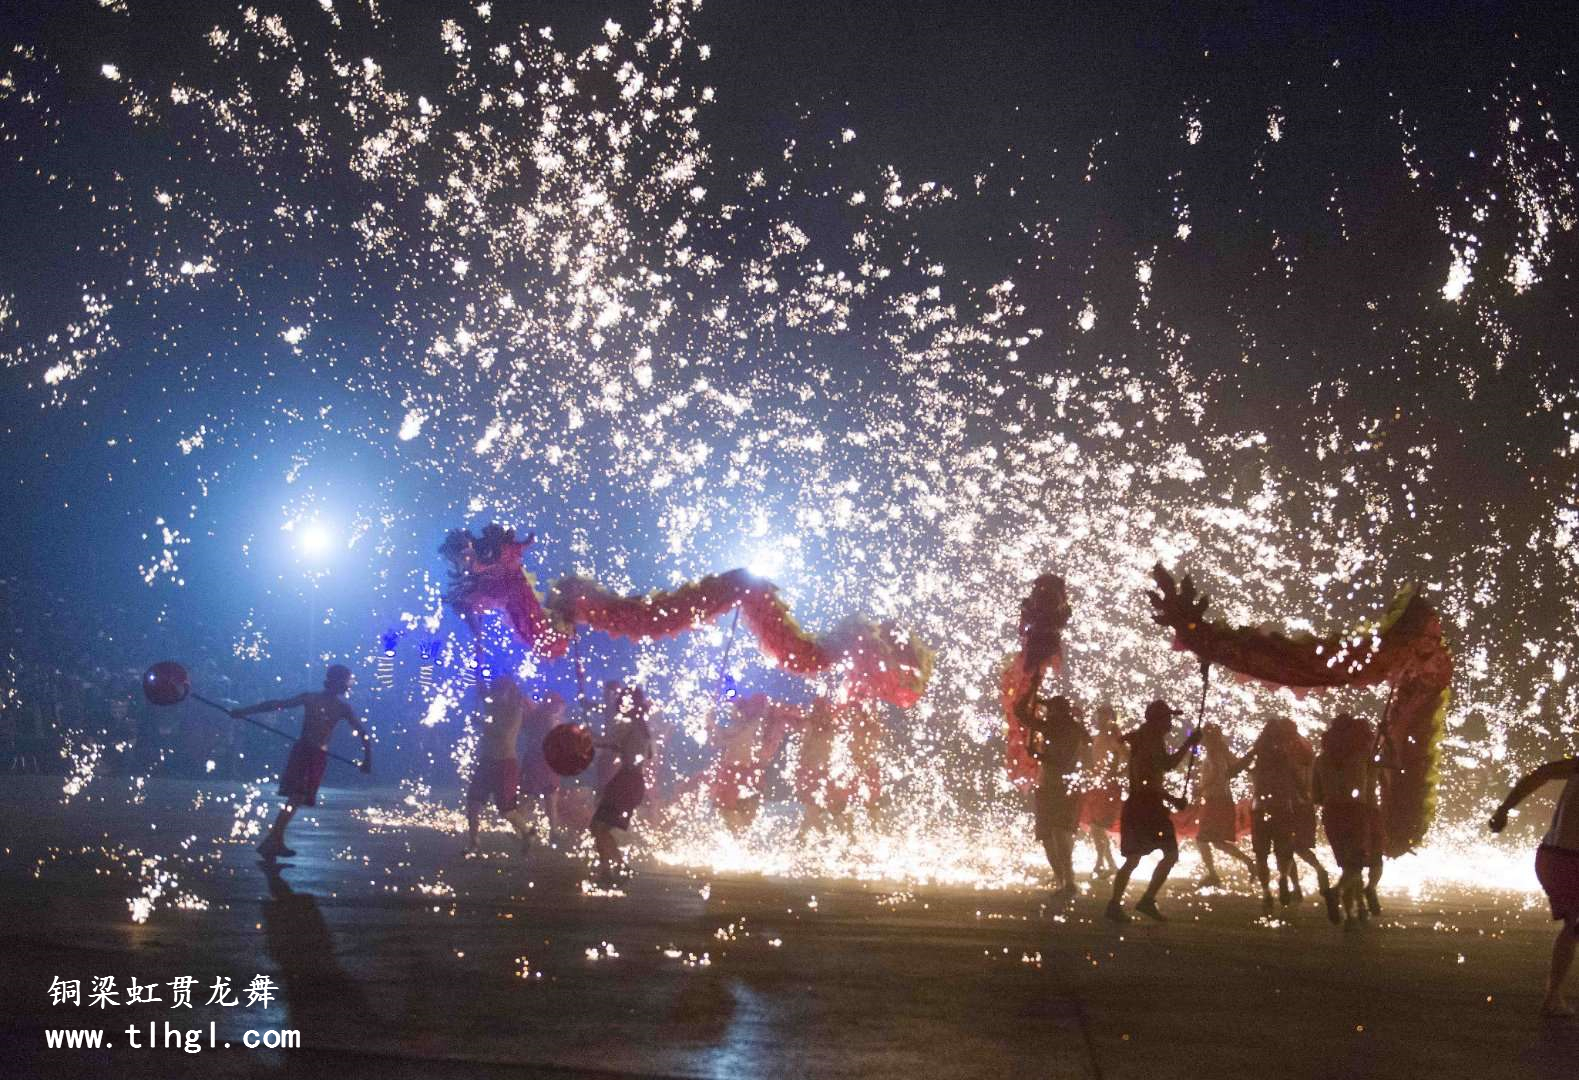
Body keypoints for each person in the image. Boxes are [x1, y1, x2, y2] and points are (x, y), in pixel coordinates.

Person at [231, 664, 371, 860]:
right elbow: (276, 704)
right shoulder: (323, 702)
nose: (349, 685)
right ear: (338, 681)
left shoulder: (334, 705)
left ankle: (275, 839)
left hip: (313, 755)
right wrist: (244, 711)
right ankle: (273, 839)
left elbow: (363, 734)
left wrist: (368, 758)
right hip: (308, 754)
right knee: (296, 797)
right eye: (347, 680)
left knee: (295, 799)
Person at [1490, 756, 1579, 1018]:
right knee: (1573, 924)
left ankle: (1553, 996)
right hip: (1571, 858)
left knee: (1572, 924)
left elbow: (1540, 774)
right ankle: (1552, 998)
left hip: (1551, 856)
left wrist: (1504, 808)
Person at [1106, 700, 1199, 923]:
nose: (1170, 722)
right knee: (1162, 855)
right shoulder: (1150, 740)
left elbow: (1157, 772)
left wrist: (1171, 799)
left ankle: (1119, 904)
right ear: (1158, 720)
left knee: (1135, 858)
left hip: (1145, 805)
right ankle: (1137, 901)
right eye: (1167, 718)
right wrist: (1188, 743)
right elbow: (1155, 774)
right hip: (1146, 807)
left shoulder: (1147, 738)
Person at [1246, 716, 1339, 923]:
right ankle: (1290, 881)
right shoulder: (1295, 750)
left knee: (1267, 854)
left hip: (1265, 809)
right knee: (1287, 850)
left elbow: (1235, 771)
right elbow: (1302, 780)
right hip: (1288, 807)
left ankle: (1269, 893)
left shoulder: (1265, 752)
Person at [1313, 712, 1383, 928]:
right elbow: (1393, 765)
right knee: (1356, 865)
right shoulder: (1363, 755)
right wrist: (1385, 736)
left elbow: (1315, 795)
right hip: (1356, 812)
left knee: (1348, 865)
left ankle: (1352, 916)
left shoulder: (1321, 759)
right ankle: (1336, 892)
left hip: (1332, 813)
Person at [1019, 691, 1090, 900]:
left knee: (1059, 834)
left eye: (1051, 712)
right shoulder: (1058, 726)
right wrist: (1032, 695)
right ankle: (1063, 881)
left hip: (1062, 788)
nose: (1048, 716)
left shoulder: (1069, 730)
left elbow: (1062, 761)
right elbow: (1021, 714)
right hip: (1048, 787)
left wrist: (1037, 754)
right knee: (1048, 837)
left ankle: (1068, 880)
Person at [590, 683, 653, 887]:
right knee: (600, 827)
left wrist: (587, 737)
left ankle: (617, 868)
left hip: (626, 781)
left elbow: (609, 743)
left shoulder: (630, 724)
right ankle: (607, 870)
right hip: (632, 781)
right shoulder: (643, 727)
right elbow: (645, 753)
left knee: (599, 827)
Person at [464, 675, 535, 855]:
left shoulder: (515, 711)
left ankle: (527, 833)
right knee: (473, 803)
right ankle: (473, 842)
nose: (497, 695)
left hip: (505, 765)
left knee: (507, 811)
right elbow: (481, 687)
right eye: (495, 691)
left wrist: (482, 723)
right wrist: (478, 660)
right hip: (487, 761)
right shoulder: (493, 704)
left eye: (501, 691)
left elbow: (504, 734)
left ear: (509, 692)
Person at [1193, 723, 1255, 889]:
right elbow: (1236, 766)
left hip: (1215, 801)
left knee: (1202, 839)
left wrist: (1201, 789)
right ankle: (1248, 862)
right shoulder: (1223, 752)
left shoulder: (1214, 753)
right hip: (1221, 800)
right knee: (1217, 841)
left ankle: (1213, 874)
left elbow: (1216, 774)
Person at [519, 691, 567, 845]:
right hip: (541, 761)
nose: (561, 708)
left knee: (533, 797)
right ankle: (552, 832)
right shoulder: (548, 718)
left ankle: (526, 831)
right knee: (548, 796)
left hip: (539, 761)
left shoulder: (538, 716)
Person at [1085, 704, 1125, 879]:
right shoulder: (1099, 736)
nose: (1099, 719)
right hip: (1098, 785)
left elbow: (1126, 755)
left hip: (1108, 787)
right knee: (1096, 827)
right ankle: (1107, 864)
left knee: (1098, 826)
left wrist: (1116, 773)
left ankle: (1102, 863)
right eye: (1098, 716)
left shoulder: (1112, 736)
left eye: (1103, 716)